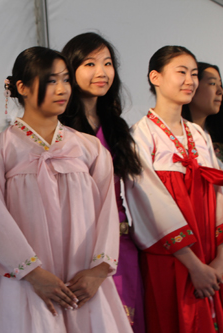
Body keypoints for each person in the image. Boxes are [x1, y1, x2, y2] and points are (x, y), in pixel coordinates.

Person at [0, 46, 132, 332]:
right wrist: (33, 273)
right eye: (51, 80)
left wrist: (97, 272)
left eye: (66, 79)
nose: (62, 89)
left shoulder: (90, 147)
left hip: (83, 281)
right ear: (22, 87)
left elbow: (108, 212)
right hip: (24, 282)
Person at [125, 46, 223, 333]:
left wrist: (219, 260)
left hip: (210, 259)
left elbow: (219, 195)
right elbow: (148, 203)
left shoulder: (198, 135)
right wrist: (193, 265)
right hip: (171, 259)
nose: (190, 81)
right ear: (155, 77)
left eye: (194, 74)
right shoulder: (140, 135)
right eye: (181, 72)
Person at [60, 32, 145, 331]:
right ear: (69, 70)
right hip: (78, 246)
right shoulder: (59, 130)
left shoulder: (117, 127)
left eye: (108, 64)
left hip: (122, 245)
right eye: (90, 64)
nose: (101, 72)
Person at [181, 62, 223, 168]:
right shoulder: (175, 138)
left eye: (220, 85)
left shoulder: (217, 141)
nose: (220, 91)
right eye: (212, 84)